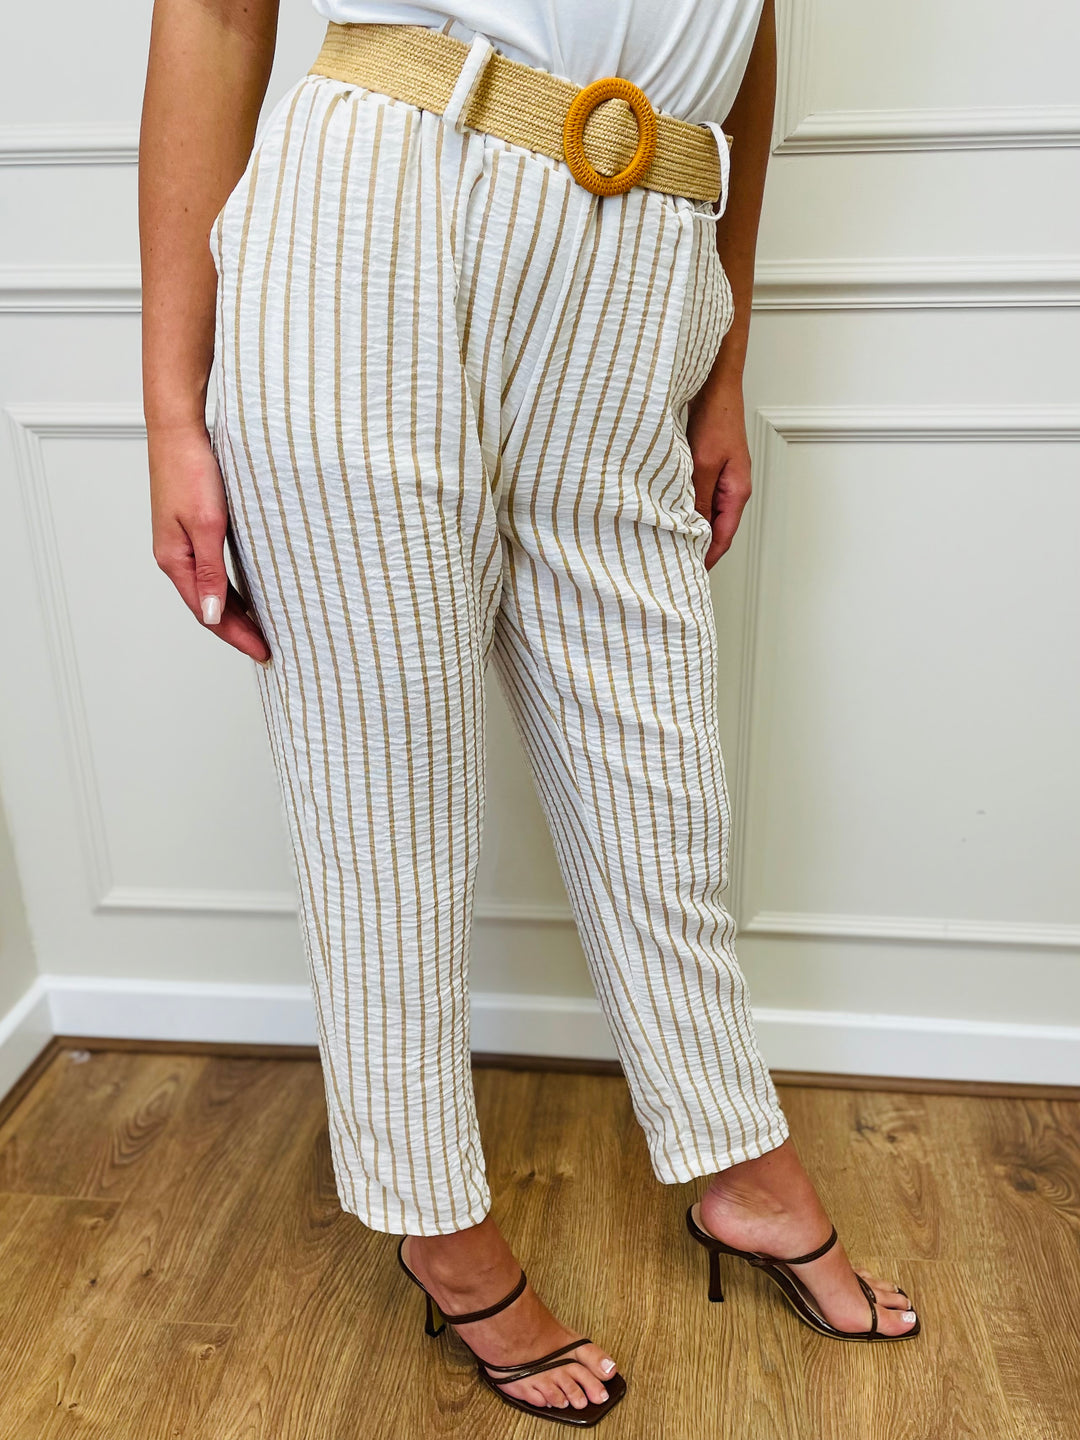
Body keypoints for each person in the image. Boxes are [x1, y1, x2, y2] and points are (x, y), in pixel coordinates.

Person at [139, 0, 921, 1425]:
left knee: (657, 781)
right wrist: (170, 410)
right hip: (376, 215)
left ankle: (737, 1156)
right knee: (385, 794)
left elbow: (747, 35)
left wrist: (726, 358)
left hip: (648, 255)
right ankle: (436, 1222)